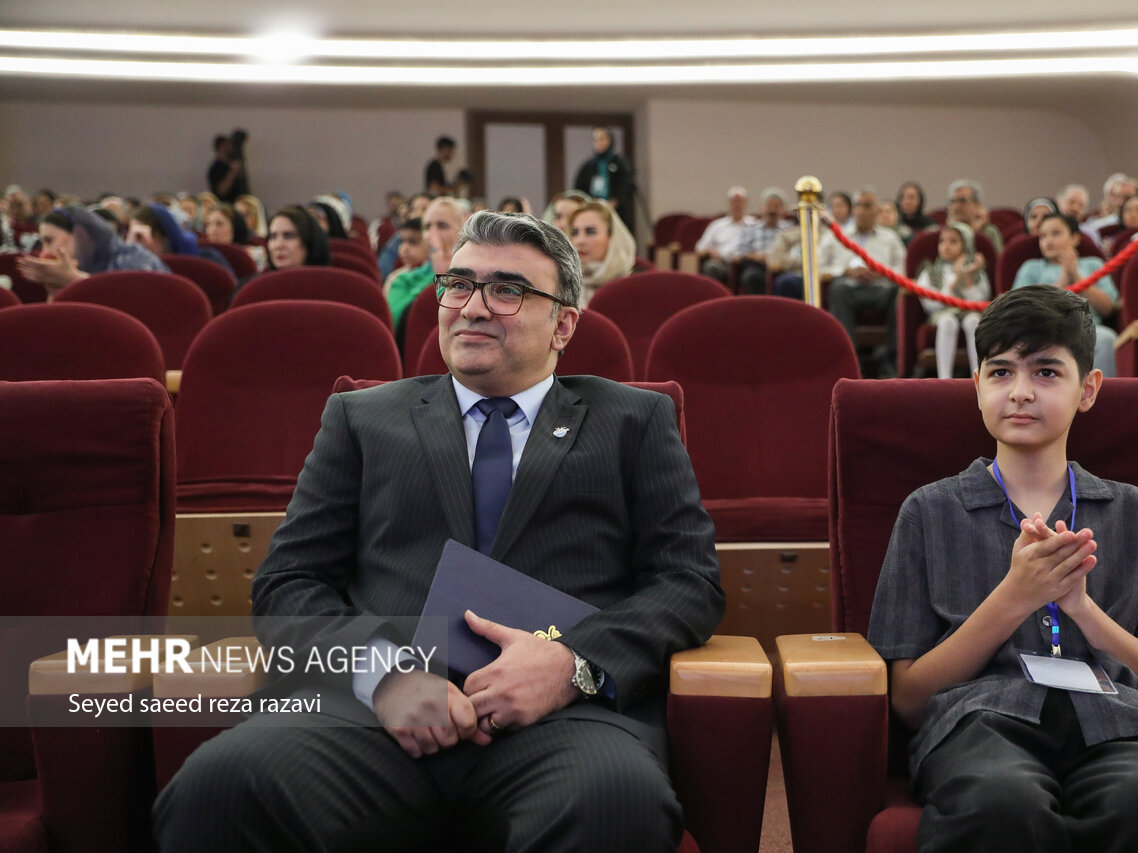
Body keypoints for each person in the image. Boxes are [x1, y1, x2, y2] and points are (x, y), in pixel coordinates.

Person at [153, 210, 724, 853]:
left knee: (618, 804)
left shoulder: (632, 421)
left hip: (562, 719)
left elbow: (689, 582)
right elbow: (288, 583)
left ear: (563, 324)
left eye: (508, 290)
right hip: (370, 716)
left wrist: (572, 665)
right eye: (458, 284)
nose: (474, 307)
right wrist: (383, 674)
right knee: (219, 784)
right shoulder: (363, 419)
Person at [866, 284, 1138, 853]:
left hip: (1123, 724)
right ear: (977, 387)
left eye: (1046, 373)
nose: (1020, 393)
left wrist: (1082, 609)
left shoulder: (1134, 511)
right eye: (1001, 372)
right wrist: (1015, 596)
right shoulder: (929, 511)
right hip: (980, 724)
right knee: (1001, 805)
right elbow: (909, 700)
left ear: (1088, 389)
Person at [1013, 214, 1118, 377]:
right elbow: (1020, 309)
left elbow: (1107, 308)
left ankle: (1104, 399)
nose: (1048, 241)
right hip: (1042, 330)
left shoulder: (1093, 264)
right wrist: (1063, 278)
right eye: (1043, 236)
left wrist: (1076, 275)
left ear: (1075, 238)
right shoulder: (1031, 267)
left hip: (1088, 329)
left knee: (1107, 338)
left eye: (1055, 234)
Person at [825, 188, 907, 376]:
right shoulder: (836, 235)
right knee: (838, 289)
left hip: (882, 289)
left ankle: (890, 358)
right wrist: (844, 271)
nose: (861, 210)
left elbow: (904, 268)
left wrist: (882, 272)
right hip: (849, 288)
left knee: (899, 291)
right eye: (858, 206)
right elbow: (819, 267)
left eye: (867, 205)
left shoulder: (890, 237)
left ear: (877, 211)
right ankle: (848, 358)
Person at [17, 205, 169, 298]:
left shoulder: (134, 258)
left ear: (82, 236)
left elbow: (137, 306)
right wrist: (53, 288)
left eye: (49, 241)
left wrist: (75, 280)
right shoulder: (80, 265)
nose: (44, 252)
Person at [914, 222, 990, 378]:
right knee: (948, 322)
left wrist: (967, 277)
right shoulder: (929, 271)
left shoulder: (976, 272)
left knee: (973, 321)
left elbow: (981, 301)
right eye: (942, 241)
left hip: (969, 313)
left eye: (953, 241)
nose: (946, 246)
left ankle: (977, 377)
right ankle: (944, 378)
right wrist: (956, 280)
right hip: (942, 314)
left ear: (965, 245)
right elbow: (930, 304)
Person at [129, 203, 235, 275]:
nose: (136, 244)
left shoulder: (208, 259)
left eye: (139, 236)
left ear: (162, 236)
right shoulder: (133, 263)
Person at [569, 200, 636, 305]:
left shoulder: (633, 287)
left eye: (590, 232)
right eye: (575, 233)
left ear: (612, 237)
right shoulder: (563, 286)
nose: (579, 240)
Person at [573, 126, 636, 234]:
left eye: (602, 138)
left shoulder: (620, 163)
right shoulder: (587, 166)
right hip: (592, 212)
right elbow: (578, 189)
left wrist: (615, 200)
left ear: (610, 140)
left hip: (617, 212)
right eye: (596, 139)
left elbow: (626, 185)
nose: (599, 142)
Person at [694, 185, 755, 284]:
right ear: (728, 204)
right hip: (721, 263)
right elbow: (700, 248)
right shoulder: (717, 225)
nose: (737, 205)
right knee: (711, 267)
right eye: (734, 201)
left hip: (745, 264)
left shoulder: (754, 225)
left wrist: (746, 256)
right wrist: (711, 252)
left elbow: (760, 249)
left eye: (740, 201)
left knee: (753, 273)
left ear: (746, 203)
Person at [734, 187, 789, 295]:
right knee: (750, 275)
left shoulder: (790, 230)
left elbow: (796, 253)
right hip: (756, 266)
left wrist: (771, 258)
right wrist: (756, 257)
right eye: (769, 206)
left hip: (783, 268)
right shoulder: (751, 229)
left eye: (776, 206)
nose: (772, 210)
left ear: (783, 210)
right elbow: (738, 254)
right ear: (762, 208)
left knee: (789, 281)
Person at [383, 216, 433, 328]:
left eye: (413, 242)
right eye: (402, 241)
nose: (405, 248)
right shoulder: (394, 277)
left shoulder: (435, 276)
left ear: (430, 244)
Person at [265, 205, 331, 271]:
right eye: (273, 237)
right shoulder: (260, 279)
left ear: (309, 242)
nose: (278, 245)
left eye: (288, 236)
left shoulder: (329, 280)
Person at [204, 203, 267, 271]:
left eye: (219, 224)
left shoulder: (254, 255)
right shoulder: (203, 255)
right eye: (208, 224)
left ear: (235, 228)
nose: (212, 230)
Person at [947, 179, 1003, 252]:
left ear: (977, 205)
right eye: (952, 201)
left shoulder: (988, 232)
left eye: (962, 201)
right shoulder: (943, 232)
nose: (956, 206)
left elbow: (997, 260)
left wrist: (976, 232)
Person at [207, 134, 247, 203]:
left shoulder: (231, 164)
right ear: (221, 147)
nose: (231, 148)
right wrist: (232, 173)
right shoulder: (215, 168)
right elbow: (221, 191)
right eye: (227, 145)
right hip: (225, 204)